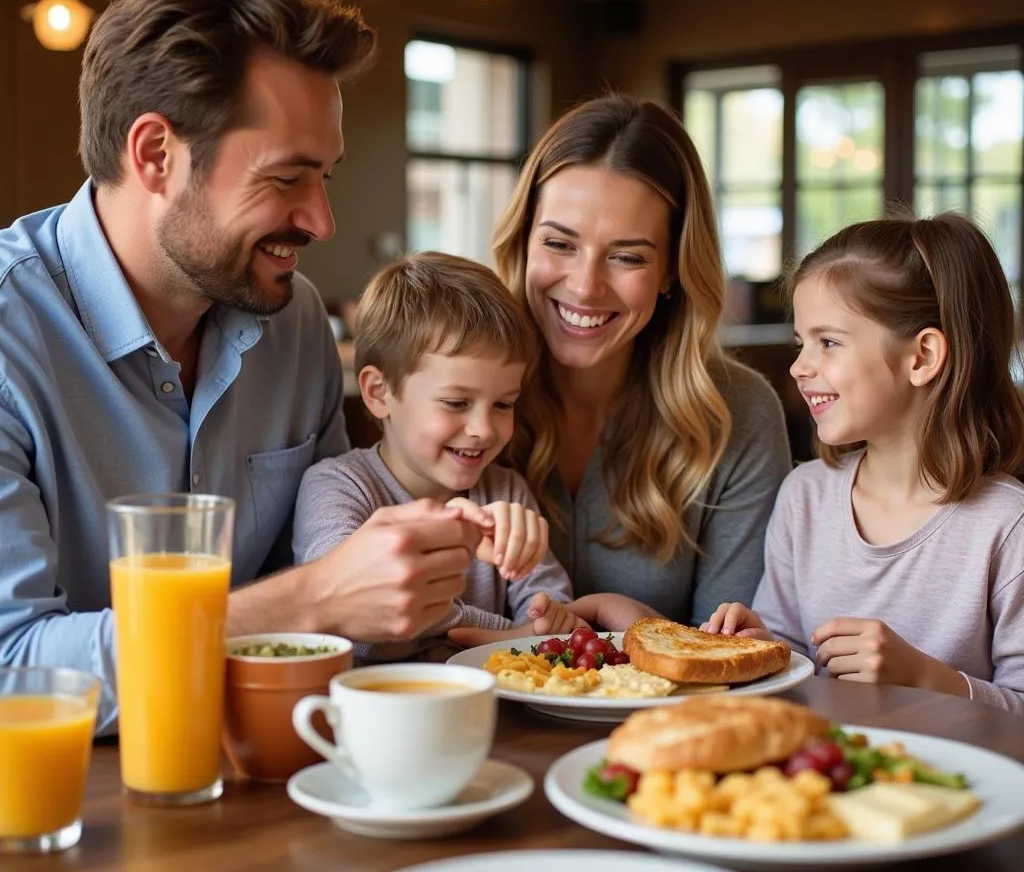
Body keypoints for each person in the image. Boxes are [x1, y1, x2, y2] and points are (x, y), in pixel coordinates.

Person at [0, 0, 481, 733]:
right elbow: (12, 672)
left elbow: (326, 580)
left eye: (325, 176)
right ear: (156, 154)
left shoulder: (296, 331)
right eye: (288, 178)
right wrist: (313, 598)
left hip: (268, 777)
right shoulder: (8, 336)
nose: (322, 221)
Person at [448, 94, 792, 647]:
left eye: (627, 256)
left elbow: (725, 657)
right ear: (523, 241)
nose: (585, 286)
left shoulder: (740, 414)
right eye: (559, 243)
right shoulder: (448, 387)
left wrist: (630, 631)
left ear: (671, 269)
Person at [702, 213, 1024, 715]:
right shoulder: (803, 496)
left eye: (828, 342)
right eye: (800, 343)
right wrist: (761, 647)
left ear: (921, 357)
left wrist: (925, 678)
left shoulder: (1007, 526)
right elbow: (791, 653)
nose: (799, 366)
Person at [293, 252, 585, 662]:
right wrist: (507, 635)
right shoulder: (336, 486)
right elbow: (355, 612)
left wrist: (546, 617)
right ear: (379, 393)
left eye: (503, 404)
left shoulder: (506, 491)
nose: (483, 428)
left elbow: (548, 604)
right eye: (456, 402)